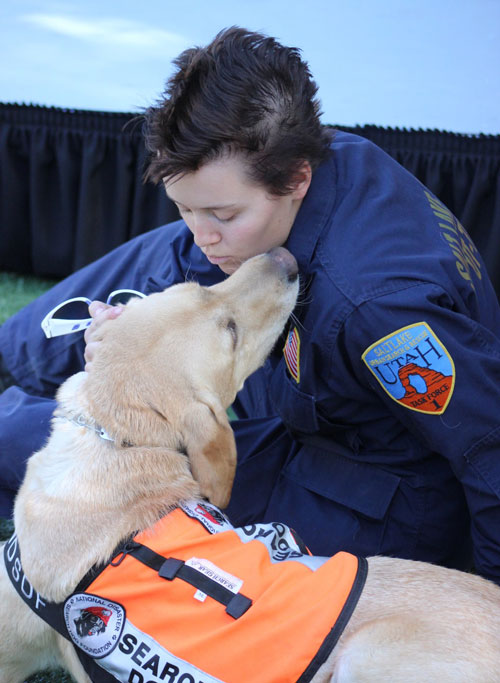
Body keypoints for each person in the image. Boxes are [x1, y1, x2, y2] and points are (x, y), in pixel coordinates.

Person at [1, 27, 500, 584]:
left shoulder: (381, 313)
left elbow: (490, 449)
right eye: (185, 208)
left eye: (222, 214)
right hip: (322, 400)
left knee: (96, 469)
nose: (202, 233)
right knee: (166, 257)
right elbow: (203, 239)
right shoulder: (310, 155)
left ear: (295, 178)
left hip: (375, 499)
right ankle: (10, 361)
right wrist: (131, 340)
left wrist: (487, 605)